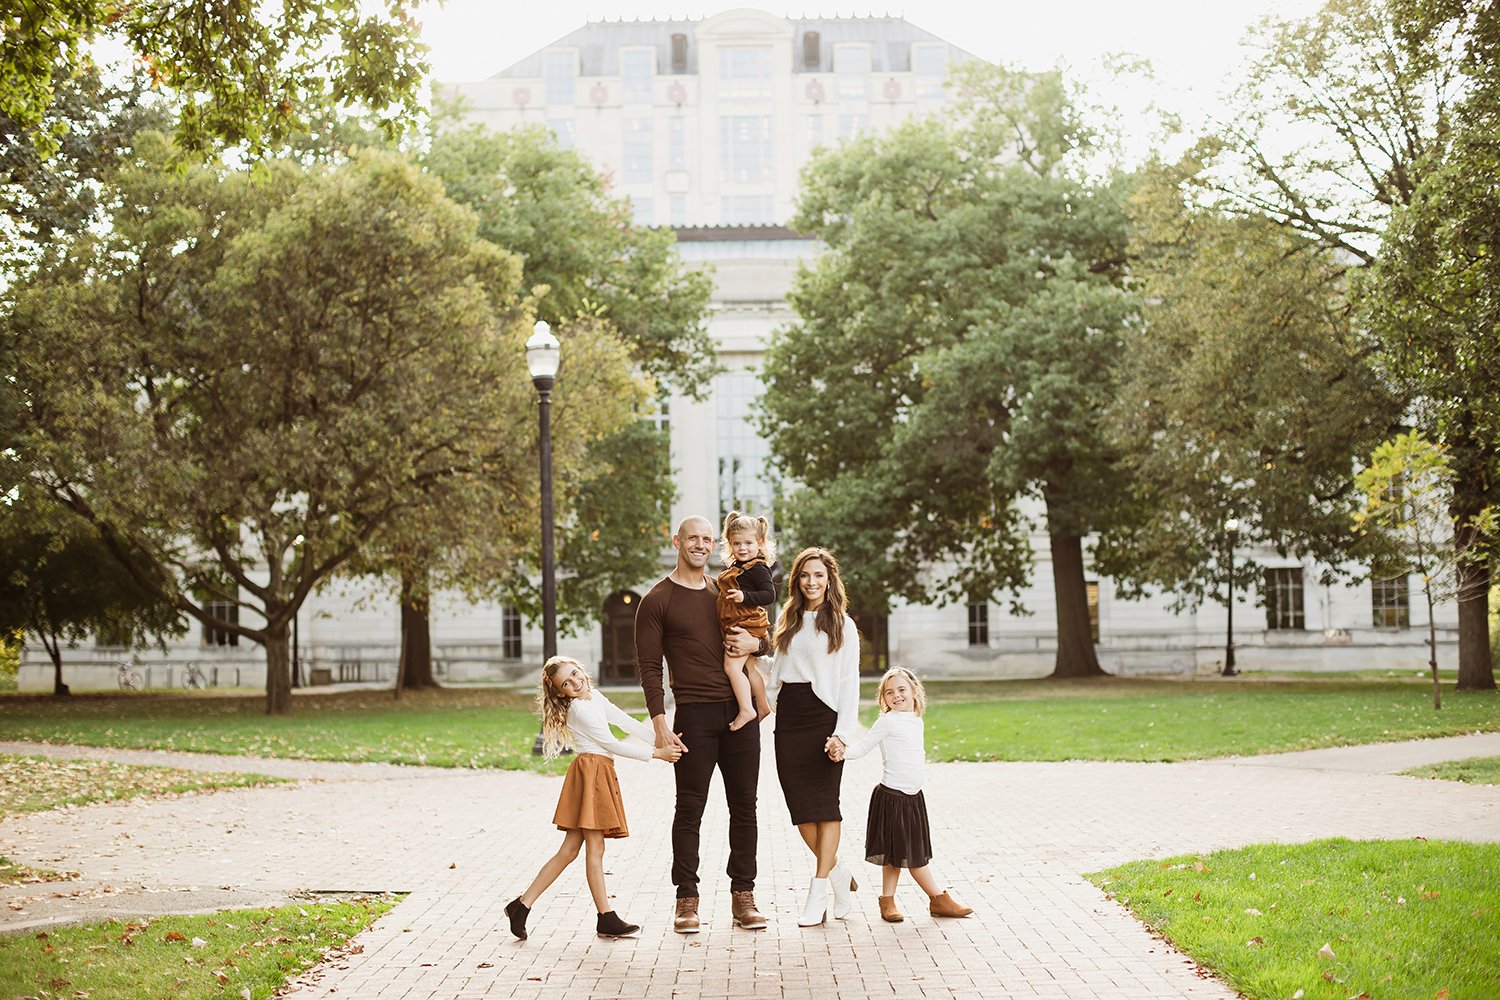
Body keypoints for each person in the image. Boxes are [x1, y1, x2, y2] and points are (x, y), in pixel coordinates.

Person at [636, 515, 770, 933]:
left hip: (738, 711)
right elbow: (648, 667)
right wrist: (660, 723)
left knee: (744, 807)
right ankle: (686, 900)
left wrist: (759, 644)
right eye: (692, 538)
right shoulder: (657, 599)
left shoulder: (725, 590)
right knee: (690, 808)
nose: (700, 545)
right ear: (677, 541)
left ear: (715, 546)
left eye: (708, 539)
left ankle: (743, 896)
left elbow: (760, 635)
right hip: (693, 713)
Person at [504, 656, 681, 941]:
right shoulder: (578, 710)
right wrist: (656, 754)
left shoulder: (594, 697)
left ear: (581, 670)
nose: (575, 682)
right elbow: (611, 743)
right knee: (594, 848)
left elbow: (625, 722)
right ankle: (605, 917)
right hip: (591, 772)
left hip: (596, 771)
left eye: (575, 674)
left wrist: (661, 739)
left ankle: (521, 906)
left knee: (570, 850)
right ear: (560, 692)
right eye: (566, 683)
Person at [830, 666, 973, 922]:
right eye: (889, 692)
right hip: (893, 798)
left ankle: (887, 902)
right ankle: (939, 899)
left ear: (914, 692)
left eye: (902, 690)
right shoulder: (887, 721)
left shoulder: (916, 720)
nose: (896, 696)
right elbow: (863, 746)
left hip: (913, 799)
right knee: (913, 856)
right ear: (883, 698)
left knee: (894, 854)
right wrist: (842, 752)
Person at [766, 546, 861, 927]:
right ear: (797, 580)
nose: (811, 582)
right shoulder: (787, 617)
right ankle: (838, 874)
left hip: (824, 715)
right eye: (805, 575)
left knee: (825, 804)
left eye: (818, 575)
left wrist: (843, 733)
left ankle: (818, 888)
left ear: (829, 579)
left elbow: (848, 682)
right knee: (800, 809)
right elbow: (782, 667)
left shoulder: (841, 624)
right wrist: (754, 654)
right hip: (790, 714)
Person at [717, 510, 777, 732]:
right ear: (730, 544)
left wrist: (744, 596)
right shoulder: (735, 568)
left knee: (731, 666)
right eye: (736, 544)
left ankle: (746, 709)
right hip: (740, 622)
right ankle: (762, 706)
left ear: (760, 543)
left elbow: (769, 595)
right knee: (749, 667)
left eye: (748, 543)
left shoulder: (758, 568)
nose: (742, 548)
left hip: (747, 624)